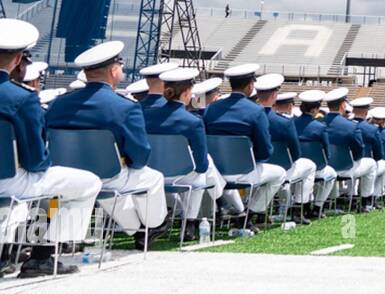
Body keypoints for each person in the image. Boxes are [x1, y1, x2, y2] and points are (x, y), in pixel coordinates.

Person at [45, 41, 168, 249]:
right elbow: (140, 156)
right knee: (152, 178)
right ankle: (154, 225)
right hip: (109, 174)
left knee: (112, 189)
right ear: (113, 71)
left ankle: (137, 230)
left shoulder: (58, 104)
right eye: (120, 66)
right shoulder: (125, 107)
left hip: (64, 175)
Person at [0, 20, 100, 275]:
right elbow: (35, 162)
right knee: (86, 184)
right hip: (8, 180)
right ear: (18, 59)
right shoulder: (21, 98)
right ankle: (43, 254)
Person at [141, 66, 221, 237]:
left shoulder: (146, 116)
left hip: (152, 174)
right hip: (180, 174)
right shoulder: (193, 121)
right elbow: (201, 165)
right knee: (201, 176)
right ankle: (191, 223)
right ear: (186, 93)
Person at [203, 64, 287, 222]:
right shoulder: (256, 111)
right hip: (244, 170)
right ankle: (253, 211)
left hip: (216, 171)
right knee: (280, 174)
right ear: (250, 86)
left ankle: (239, 211)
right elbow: (265, 150)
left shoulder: (211, 109)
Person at [253, 72, 316, 220]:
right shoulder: (284, 123)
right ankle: (298, 209)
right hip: (281, 169)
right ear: (275, 96)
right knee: (310, 166)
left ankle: (260, 211)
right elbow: (295, 154)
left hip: (254, 166)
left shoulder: (250, 117)